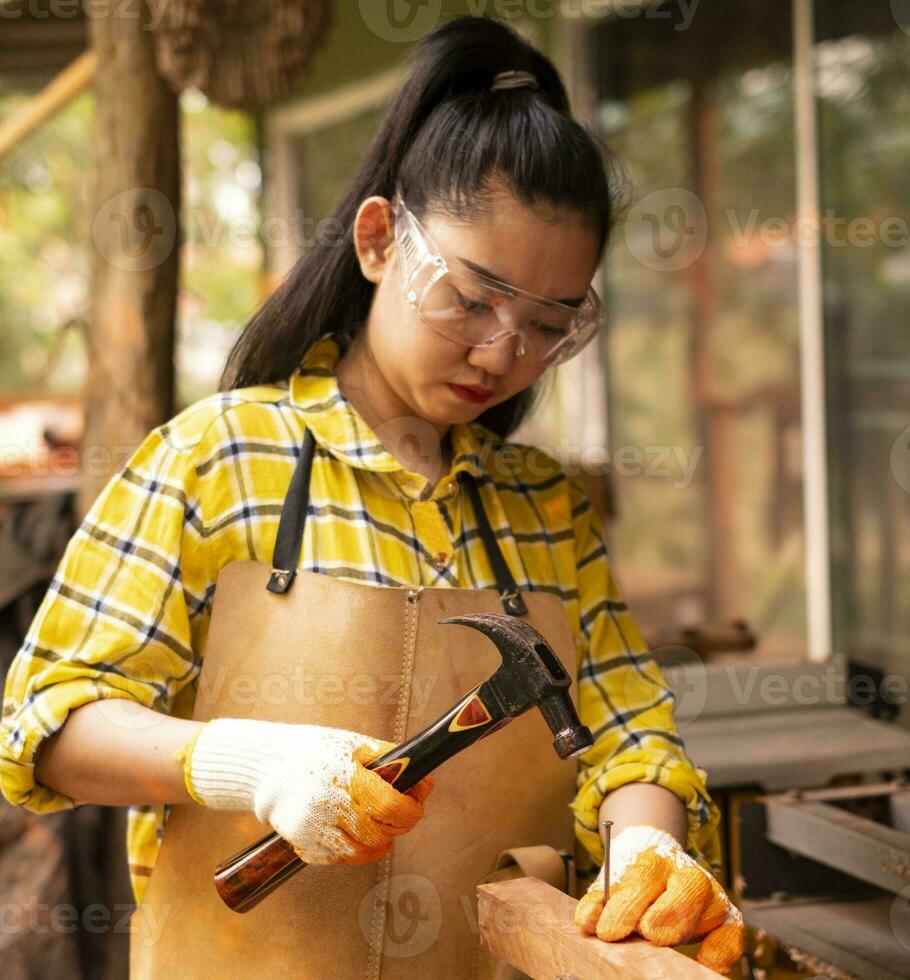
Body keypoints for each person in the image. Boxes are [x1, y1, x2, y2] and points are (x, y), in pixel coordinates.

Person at [0, 15, 743, 978]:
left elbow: (626, 726)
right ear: (380, 240)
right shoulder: (219, 455)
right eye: (472, 299)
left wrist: (648, 844)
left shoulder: (543, 507)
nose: (500, 352)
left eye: (547, 323)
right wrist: (252, 767)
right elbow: (50, 720)